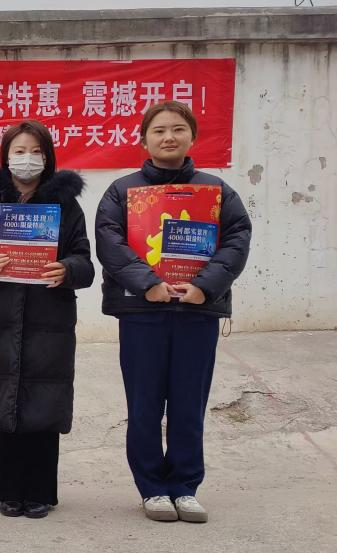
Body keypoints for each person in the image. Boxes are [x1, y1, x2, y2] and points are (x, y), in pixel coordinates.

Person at [95, 101, 252, 523]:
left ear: (192, 137)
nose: (169, 137)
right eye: (159, 130)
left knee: (188, 403)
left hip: (196, 312)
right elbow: (110, 242)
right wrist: (148, 283)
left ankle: (184, 487)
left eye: (178, 129)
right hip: (142, 311)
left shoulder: (216, 191)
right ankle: (151, 488)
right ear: (143, 140)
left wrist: (205, 286)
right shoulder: (122, 192)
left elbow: (237, 239)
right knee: (144, 403)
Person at [0, 120, 95, 519]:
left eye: (36, 151)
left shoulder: (66, 207)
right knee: (6, 403)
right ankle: (9, 490)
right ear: (5, 157)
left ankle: (40, 492)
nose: (27, 159)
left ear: (48, 157)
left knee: (45, 403)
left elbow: (85, 262)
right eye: (19, 151)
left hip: (50, 321)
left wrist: (67, 269)